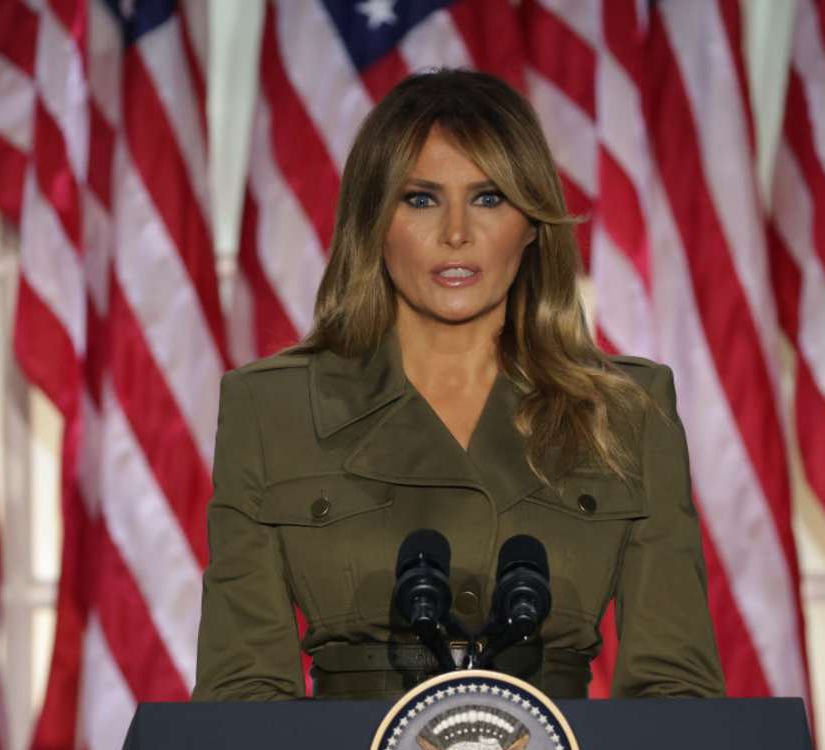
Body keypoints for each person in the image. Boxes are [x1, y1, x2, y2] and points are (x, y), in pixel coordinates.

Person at [192, 69, 724, 704]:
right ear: (372, 221)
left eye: (489, 197)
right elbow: (242, 694)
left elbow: (676, 694)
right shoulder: (271, 408)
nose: (456, 233)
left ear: (531, 223)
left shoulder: (628, 410)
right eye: (420, 199)